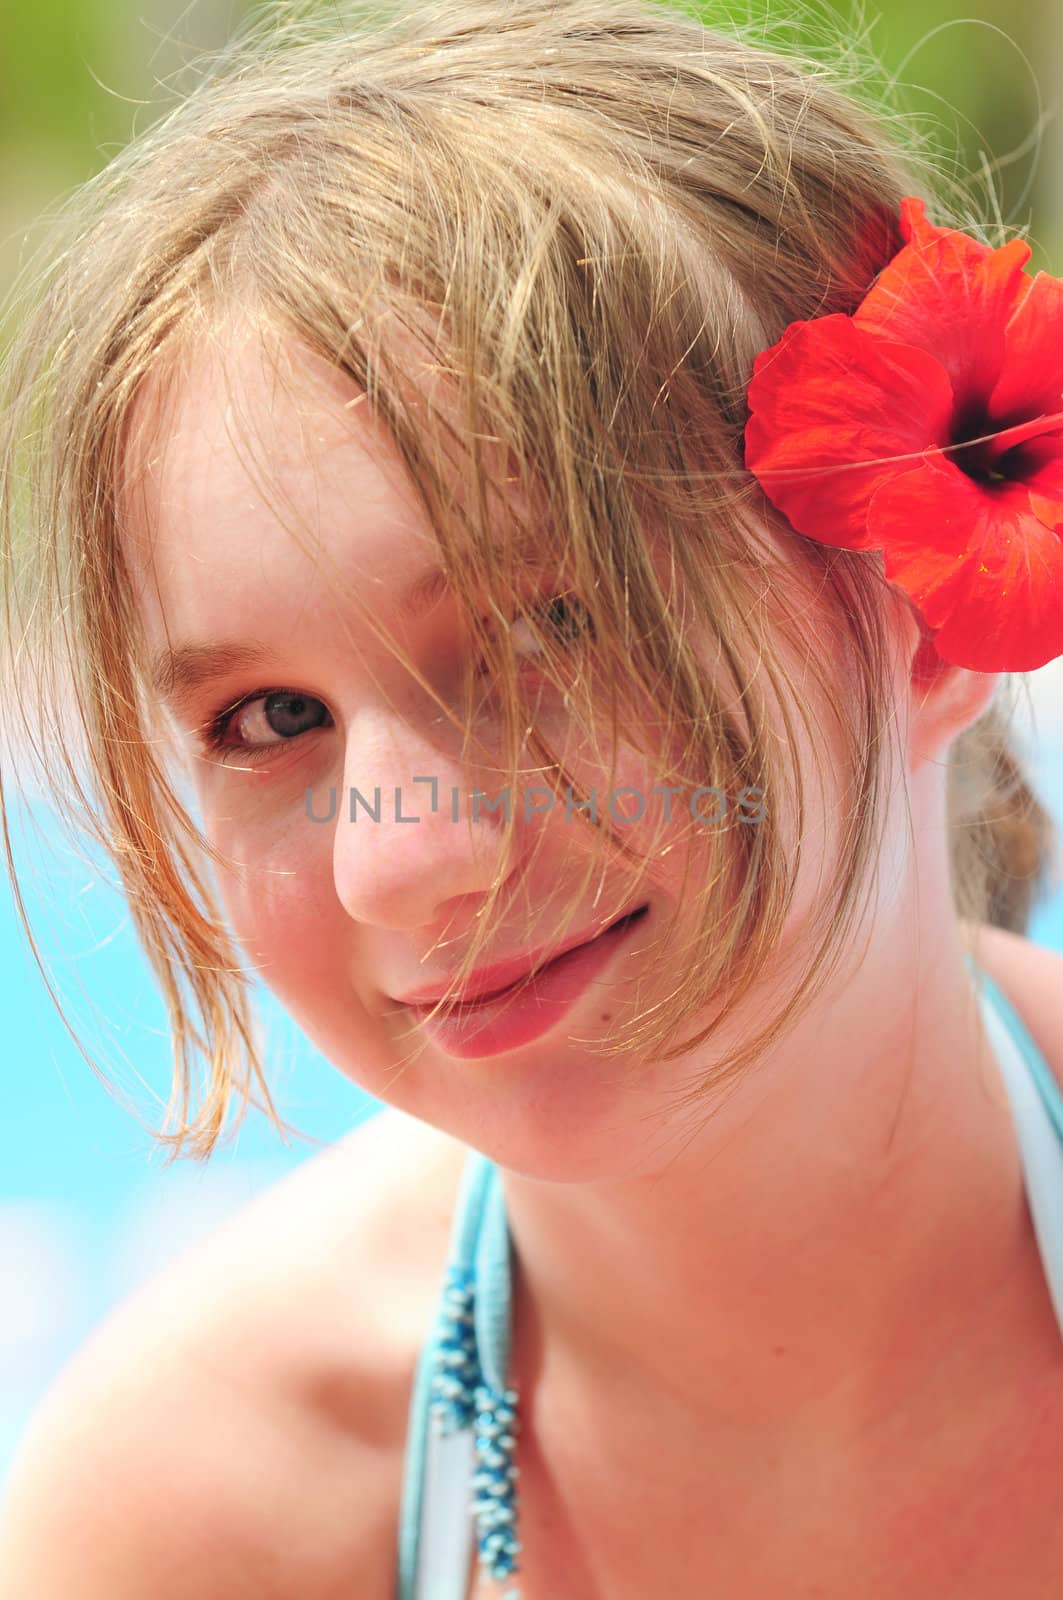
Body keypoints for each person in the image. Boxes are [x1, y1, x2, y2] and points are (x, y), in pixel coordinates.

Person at [1, 0, 1063, 1594]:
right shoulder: (197, 1516)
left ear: (927, 595)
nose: (402, 860)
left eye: (550, 626)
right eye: (270, 716)